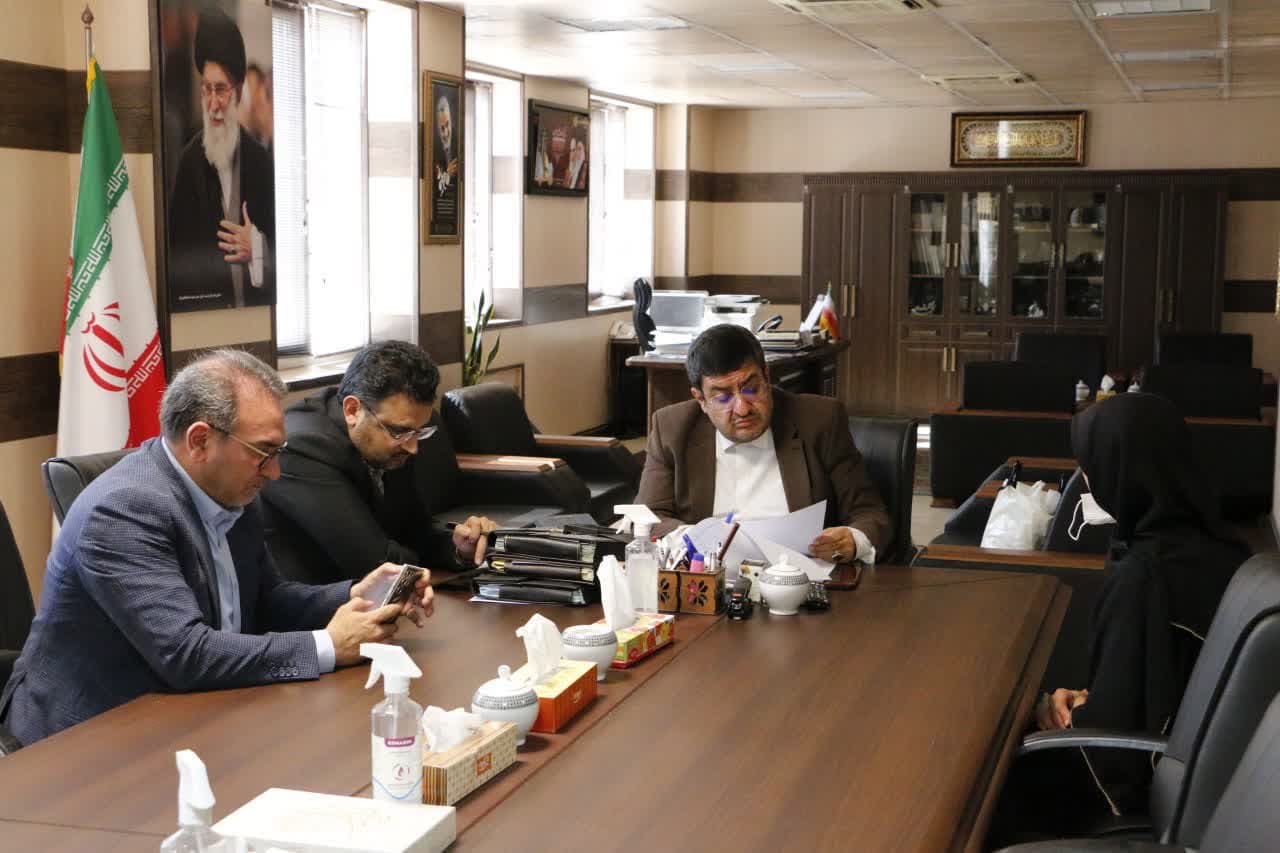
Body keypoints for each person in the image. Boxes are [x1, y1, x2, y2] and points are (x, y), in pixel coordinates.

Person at [0, 351, 434, 747]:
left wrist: (354, 595)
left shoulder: (233, 489)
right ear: (200, 441)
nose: (275, 472)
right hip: (88, 739)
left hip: (196, 712)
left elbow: (265, 600)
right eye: (263, 452)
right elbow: (185, 653)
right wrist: (328, 645)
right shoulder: (123, 511)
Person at [997, 393, 1251, 837]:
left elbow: (1114, 746)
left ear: (1123, 471)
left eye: (1091, 467)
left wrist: (1063, 713)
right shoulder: (1224, 548)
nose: (1086, 480)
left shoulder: (1144, 577)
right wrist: (1088, 698)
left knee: (988, 778)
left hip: (1143, 788)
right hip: (1212, 772)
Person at [637, 323, 891, 562]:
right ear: (701, 399)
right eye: (723, 397)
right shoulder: (672, 428)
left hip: (799, 577)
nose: (742, 408)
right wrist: (697, 539)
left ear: (766, 377)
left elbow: (870, 513)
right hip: (710, 577)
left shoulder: (819, 420)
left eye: (751, 389)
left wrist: (853, 540)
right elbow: (646, 518)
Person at [261, 340, 496, 584]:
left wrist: (460, 547)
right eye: (399, 432)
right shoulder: (303, 448)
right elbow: (374, 563)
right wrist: (415, 555)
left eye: (418, 432)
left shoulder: (396, 433)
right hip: (316, 599)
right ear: (352, 410)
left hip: (372, 594)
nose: (413, 448)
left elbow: (415, 529)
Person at [168, 9, 275, 311]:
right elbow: (179, 258)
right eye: (206, 90)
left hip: (255, 322)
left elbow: (288, 253)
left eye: (221, 90)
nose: (213, 104)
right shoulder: (189, 163)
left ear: (238, 92)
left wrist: (256, 248)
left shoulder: (261, 162)